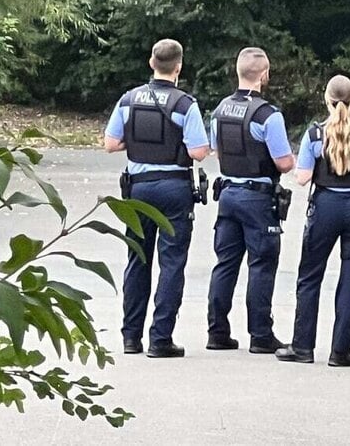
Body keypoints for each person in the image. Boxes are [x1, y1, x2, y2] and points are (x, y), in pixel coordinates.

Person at [104, 39, 209, 358]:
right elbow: (199, 152)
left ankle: (130, 337)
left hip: (138, 189)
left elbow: (110, 143)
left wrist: (134, 145)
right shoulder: (185, 104)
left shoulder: (128, 99)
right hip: (174, 189)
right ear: (178, 67)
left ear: (152, 62)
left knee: (138, 260)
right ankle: (160, 338)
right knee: (172, 263)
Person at [276, 75, 350, 367]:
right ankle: (340, 351)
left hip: (324, 208)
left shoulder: (315, 134)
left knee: (310, 276)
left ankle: (302, 347)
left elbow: (301, 178)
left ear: (327, 100)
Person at [207, 48, 295, 354]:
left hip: (228, 194)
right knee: (261, 265)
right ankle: (260, 335)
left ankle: (217, 332)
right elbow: (283, 163)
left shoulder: (219, 110)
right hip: (258, 199)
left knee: (225, 264)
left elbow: (217, 152)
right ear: (265, 74)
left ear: (238, 71)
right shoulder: (267, 115)